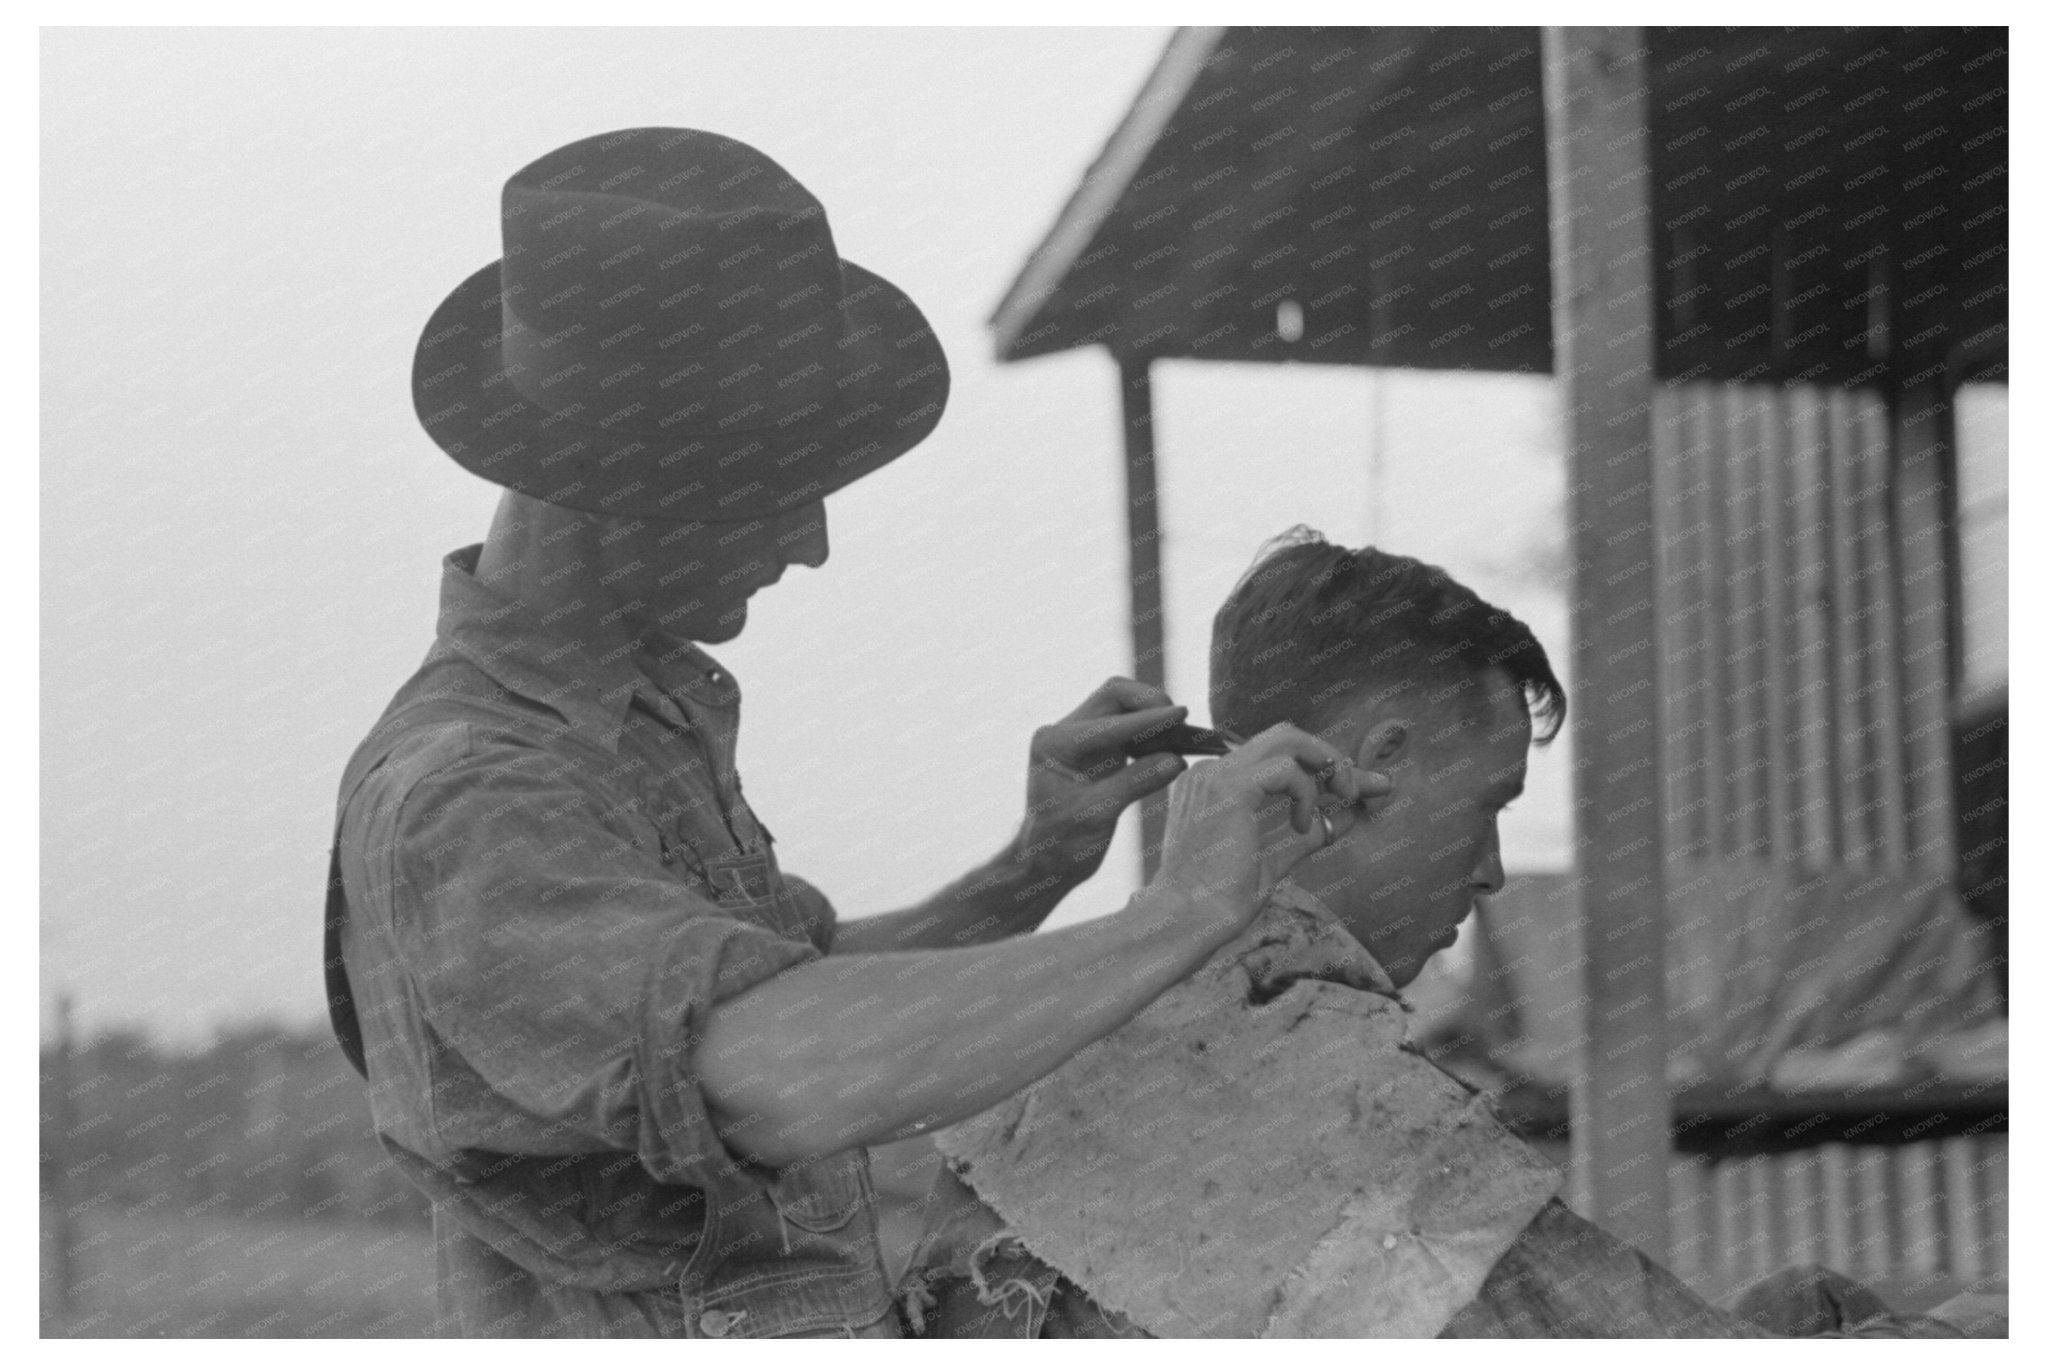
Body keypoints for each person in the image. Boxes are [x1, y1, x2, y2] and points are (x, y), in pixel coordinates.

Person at [324, 130, 1385, 1339]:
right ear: (621, 475)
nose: (812, 540)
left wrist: (1030, 868)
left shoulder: (638, 726)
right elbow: (766, 1071)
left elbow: (800, 999)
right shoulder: (466, 797)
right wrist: (1184, 909)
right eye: (779, 479)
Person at [915, 530, 1996, 1339]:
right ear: (1366, 766)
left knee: (1813, 1304)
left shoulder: (1078, 1032)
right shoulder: (1297, 1070)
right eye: (1487, 802)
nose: (1486, 870)